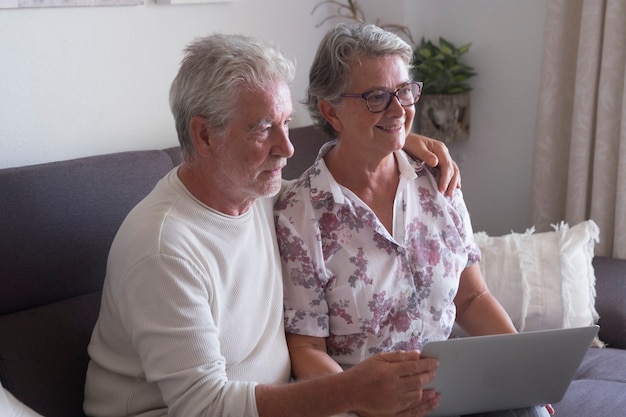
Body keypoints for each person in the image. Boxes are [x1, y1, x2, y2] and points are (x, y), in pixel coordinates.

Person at [83, 32, 461, 417]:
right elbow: (203, 407)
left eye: (286, 123)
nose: (288, 147)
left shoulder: (262, 193)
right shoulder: (163, 249)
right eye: (264, 129)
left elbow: (335, 192)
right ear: (203, 135)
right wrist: (350, 393)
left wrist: (396, 142)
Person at [274, 23, 553, 417]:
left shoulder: (437, 179)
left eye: (404, 91)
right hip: (367, 403)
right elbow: (306, 348)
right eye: (376, 97)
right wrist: (359, 401)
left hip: (453, 387)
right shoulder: (301, 214)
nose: (399, 110)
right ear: (330, 111)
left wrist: (526, 371)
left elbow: (472, 297)